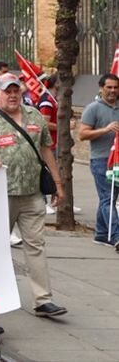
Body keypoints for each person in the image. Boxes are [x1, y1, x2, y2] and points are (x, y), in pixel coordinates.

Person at [0, 73, 67, 318]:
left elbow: (46, 149)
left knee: (36, 246)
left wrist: (57, 183)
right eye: (7, 91)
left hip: (32, 194)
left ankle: (43, 300)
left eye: (16, 91)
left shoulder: (35, 116)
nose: (12, 95)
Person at [77, 73, 119, 250]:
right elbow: (82, 134)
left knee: (109, 198)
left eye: (116, 87)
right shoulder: (93, 108)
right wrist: (106, 129)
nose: (112, 91)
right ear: (101, 88)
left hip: (117, 160)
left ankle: (102, 233)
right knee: (108, 198)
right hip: (101, 160)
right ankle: (116, 235)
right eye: (109, 87)